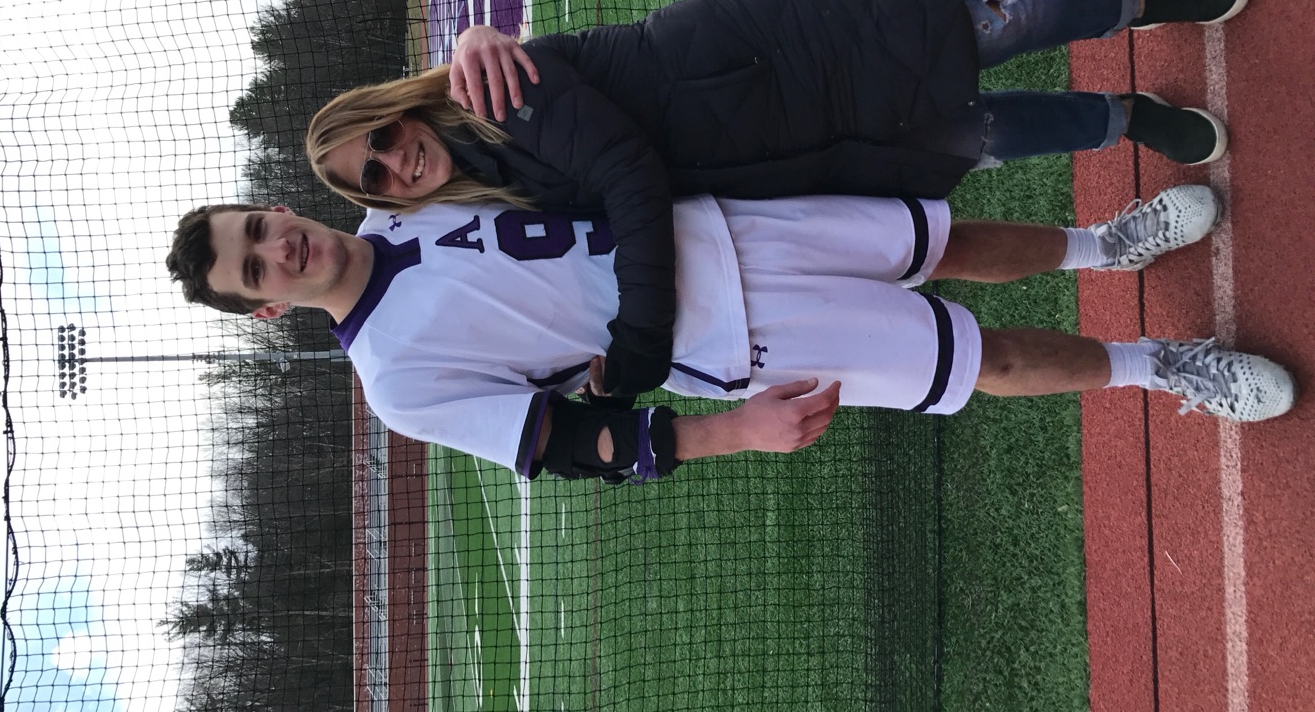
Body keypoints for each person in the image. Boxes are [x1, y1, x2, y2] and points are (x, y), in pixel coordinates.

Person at [305, 0, 1250, 398]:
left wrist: (633, 354)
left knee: (978, 27)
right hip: (768, 171)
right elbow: (393, 280)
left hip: (767, 64)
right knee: (973, 137)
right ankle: (1122, 121)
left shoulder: (491, 88)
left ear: (397, 109)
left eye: (381, 139)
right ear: (381, 203)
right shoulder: (459, 204)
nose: (396, 164)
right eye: (376, 178)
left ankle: (1143, 1)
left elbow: (626, 170)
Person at [165, 185, 1295, 484]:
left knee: (937, 241)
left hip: (716, 220)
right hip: (731, 334)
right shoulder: (396, 385)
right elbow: (566, 442)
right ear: (263, 308)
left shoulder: (400, 190)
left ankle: (1110, 243)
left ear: (272, 206)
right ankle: (1162, 368)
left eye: (259, 227)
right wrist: (732, 435)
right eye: (255, 267)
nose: (281, 248)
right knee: (973, 357)